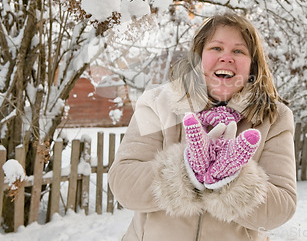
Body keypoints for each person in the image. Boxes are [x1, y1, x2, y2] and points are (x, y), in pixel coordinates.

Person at [108, 13, 297, 241]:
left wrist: (231, 178)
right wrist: (186, 170)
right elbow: (124, 183)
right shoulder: (157, 103)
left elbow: (282, 207)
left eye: (239, 51)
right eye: (216, 48)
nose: (226, 58)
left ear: (252, 65)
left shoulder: (274, 118)